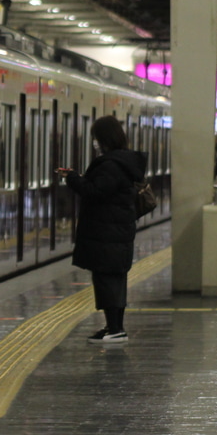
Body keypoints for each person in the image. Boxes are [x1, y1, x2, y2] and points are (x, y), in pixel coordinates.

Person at [56, 115, 147, 344]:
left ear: (104, 138)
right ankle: (113, 327)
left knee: (107, 280)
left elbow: (96, 192)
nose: (95, 142)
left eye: (96, 137)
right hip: (115, 230)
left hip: (107, 231)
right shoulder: (122, 162)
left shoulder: (111, 164)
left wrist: (74, 178)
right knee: (113, 279)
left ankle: (115, 329)